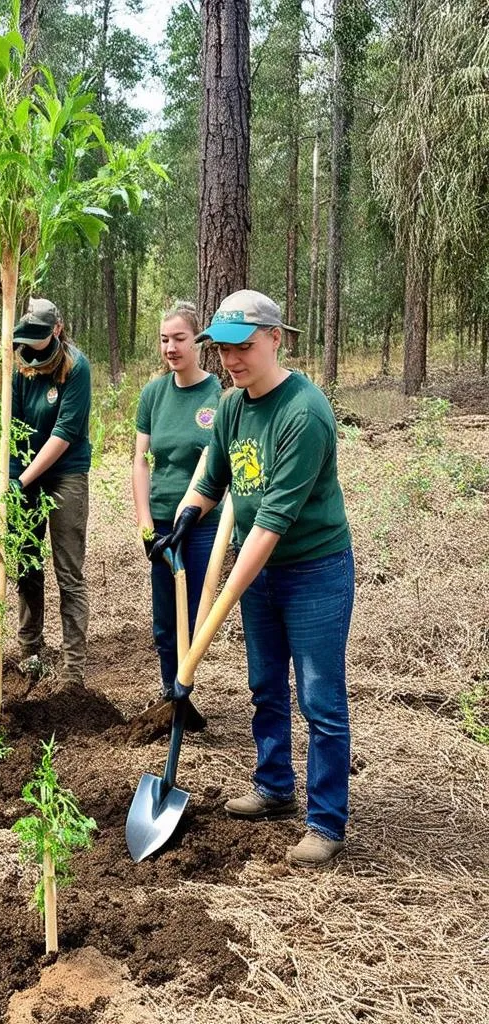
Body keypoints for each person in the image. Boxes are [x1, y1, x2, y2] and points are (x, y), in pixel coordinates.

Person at [152, 289, 354, 868]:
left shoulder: (304, 413)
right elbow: (213, 472)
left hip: (312, 569)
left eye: (243, 347)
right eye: (222, 349)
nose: (232, 360)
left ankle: (325, 820)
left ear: (275, 338)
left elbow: (269, 525)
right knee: (265, 686)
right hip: (259, 572)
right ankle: (273, 787)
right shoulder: (234, 403)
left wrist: (219, 603)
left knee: (319, 699)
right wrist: (186, 515)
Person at [132, 302, 221, 730]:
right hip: (163, 522)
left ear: (198, 342)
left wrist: (191, 512)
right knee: (165, 618)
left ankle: (186, 687)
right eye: (165, 340)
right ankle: (173, 697)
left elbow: (214, 464)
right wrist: (146, 525)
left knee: (195, 614)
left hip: (202, 524)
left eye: (179, 339)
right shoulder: (153, 394)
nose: (171, 347)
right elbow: (140, 461)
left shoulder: (219, 394)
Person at [10, 298, 92, 687]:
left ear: (56, 329)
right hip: (23, 476)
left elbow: (64, 434)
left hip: (65, 475)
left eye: (41, 338)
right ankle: (30, 652)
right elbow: (10, 429)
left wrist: (22, 480)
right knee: (26, 566)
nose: (33, 345)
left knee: (68, 571)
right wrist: (8, 486)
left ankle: (73, 668)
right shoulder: (18, 366)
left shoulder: (76, 368)